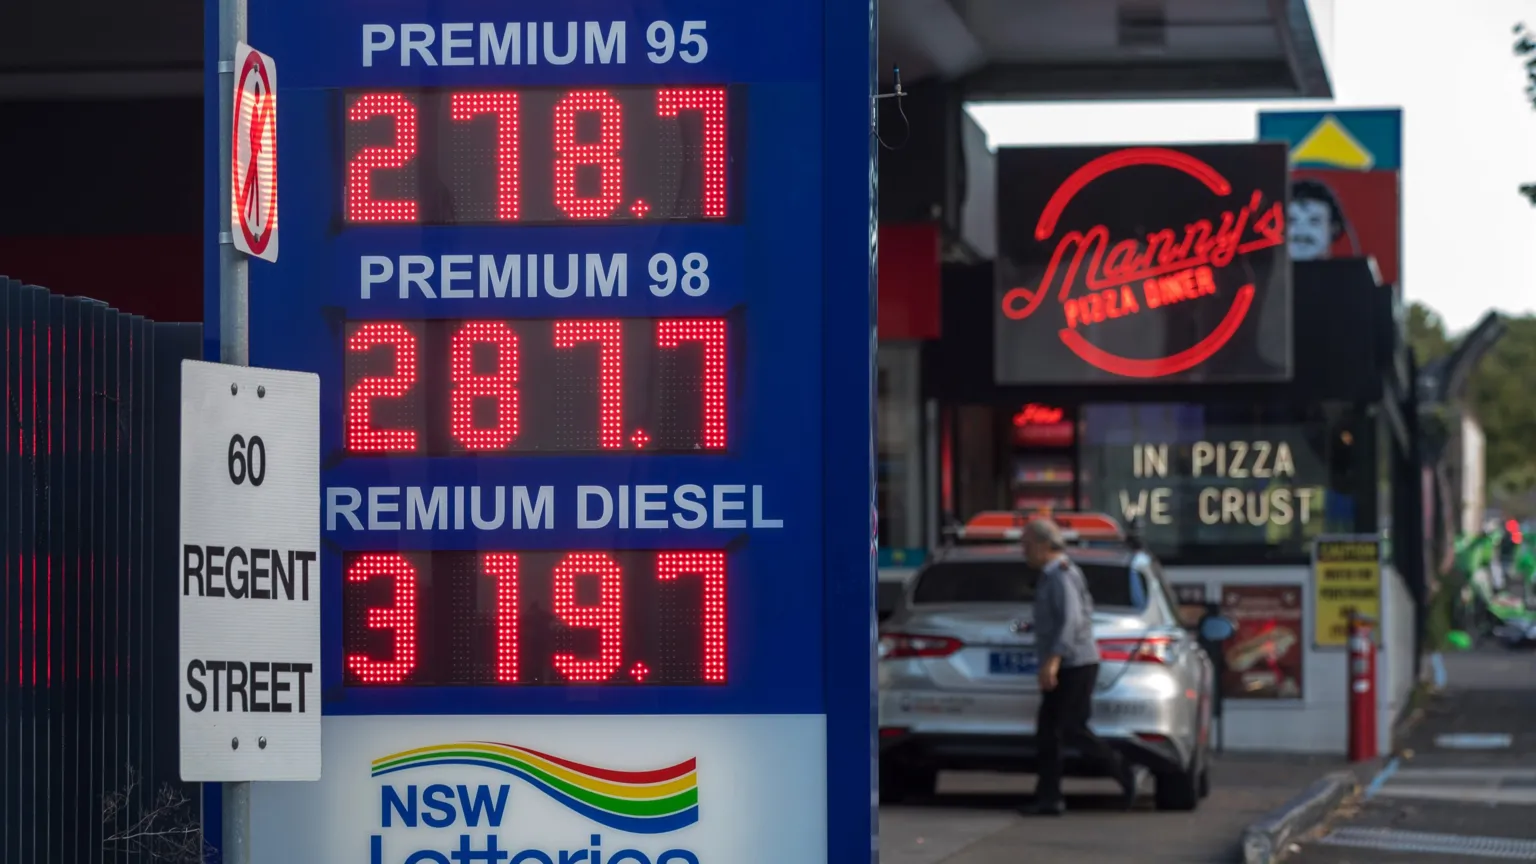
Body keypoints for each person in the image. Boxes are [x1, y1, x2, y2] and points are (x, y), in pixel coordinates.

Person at [1023, 518, 1143, 815]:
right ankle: (1048, 797)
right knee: (1047, 733)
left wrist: (1053, 660)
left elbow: (1071, 622)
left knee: (1071, 727)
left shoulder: (1062, 575)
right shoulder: (1049, 576)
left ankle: (1124, 771)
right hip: (1064, 662)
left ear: (1041, 545)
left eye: (1026, 545)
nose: (1023, 551)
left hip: (1075, 664)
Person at [1286, 179, 1349, 262]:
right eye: (1292, 221)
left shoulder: (1354, 274)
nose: (1302, 230)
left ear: (1334, 229)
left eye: (1314, 221)